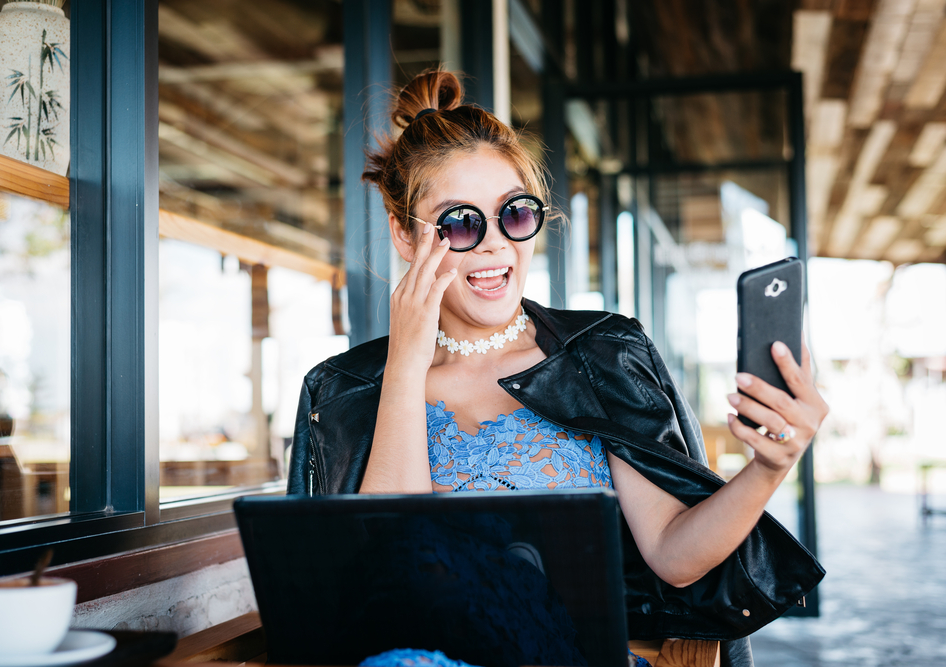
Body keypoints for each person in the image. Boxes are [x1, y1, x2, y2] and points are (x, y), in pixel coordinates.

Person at [289, 69, 828, 667]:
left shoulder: (603, 354)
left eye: (513, 214)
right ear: (406, 237)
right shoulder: (343, 390)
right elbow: (388, 580)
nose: (494, 244)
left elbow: (676, 556)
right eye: (460, 223)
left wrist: (767, 467)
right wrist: (405, 367)